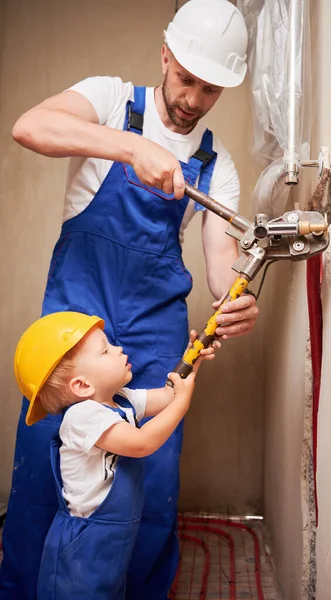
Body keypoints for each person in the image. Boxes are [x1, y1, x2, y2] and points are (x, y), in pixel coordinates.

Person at [1, 1, 259, 598]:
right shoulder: (111, 100)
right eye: (186, 78)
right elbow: (28, 126)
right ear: (164, 55)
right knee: (47, 455)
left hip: (154, 323)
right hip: (76, 320)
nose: (193, 98)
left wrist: (235, 301)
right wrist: (129, 147)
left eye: (211, 88)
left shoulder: (215, 167)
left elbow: (221, 270)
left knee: (152, 468)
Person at [13, 311, 215, 600]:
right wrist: (182, 404)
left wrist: (190, 362)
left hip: (112, 541)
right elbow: (142, 442)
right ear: (82, 385)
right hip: (83, 546)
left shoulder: (121, 399)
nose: (118, 348)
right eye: (105, 350)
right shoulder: (83, 417)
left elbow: (170, 394)